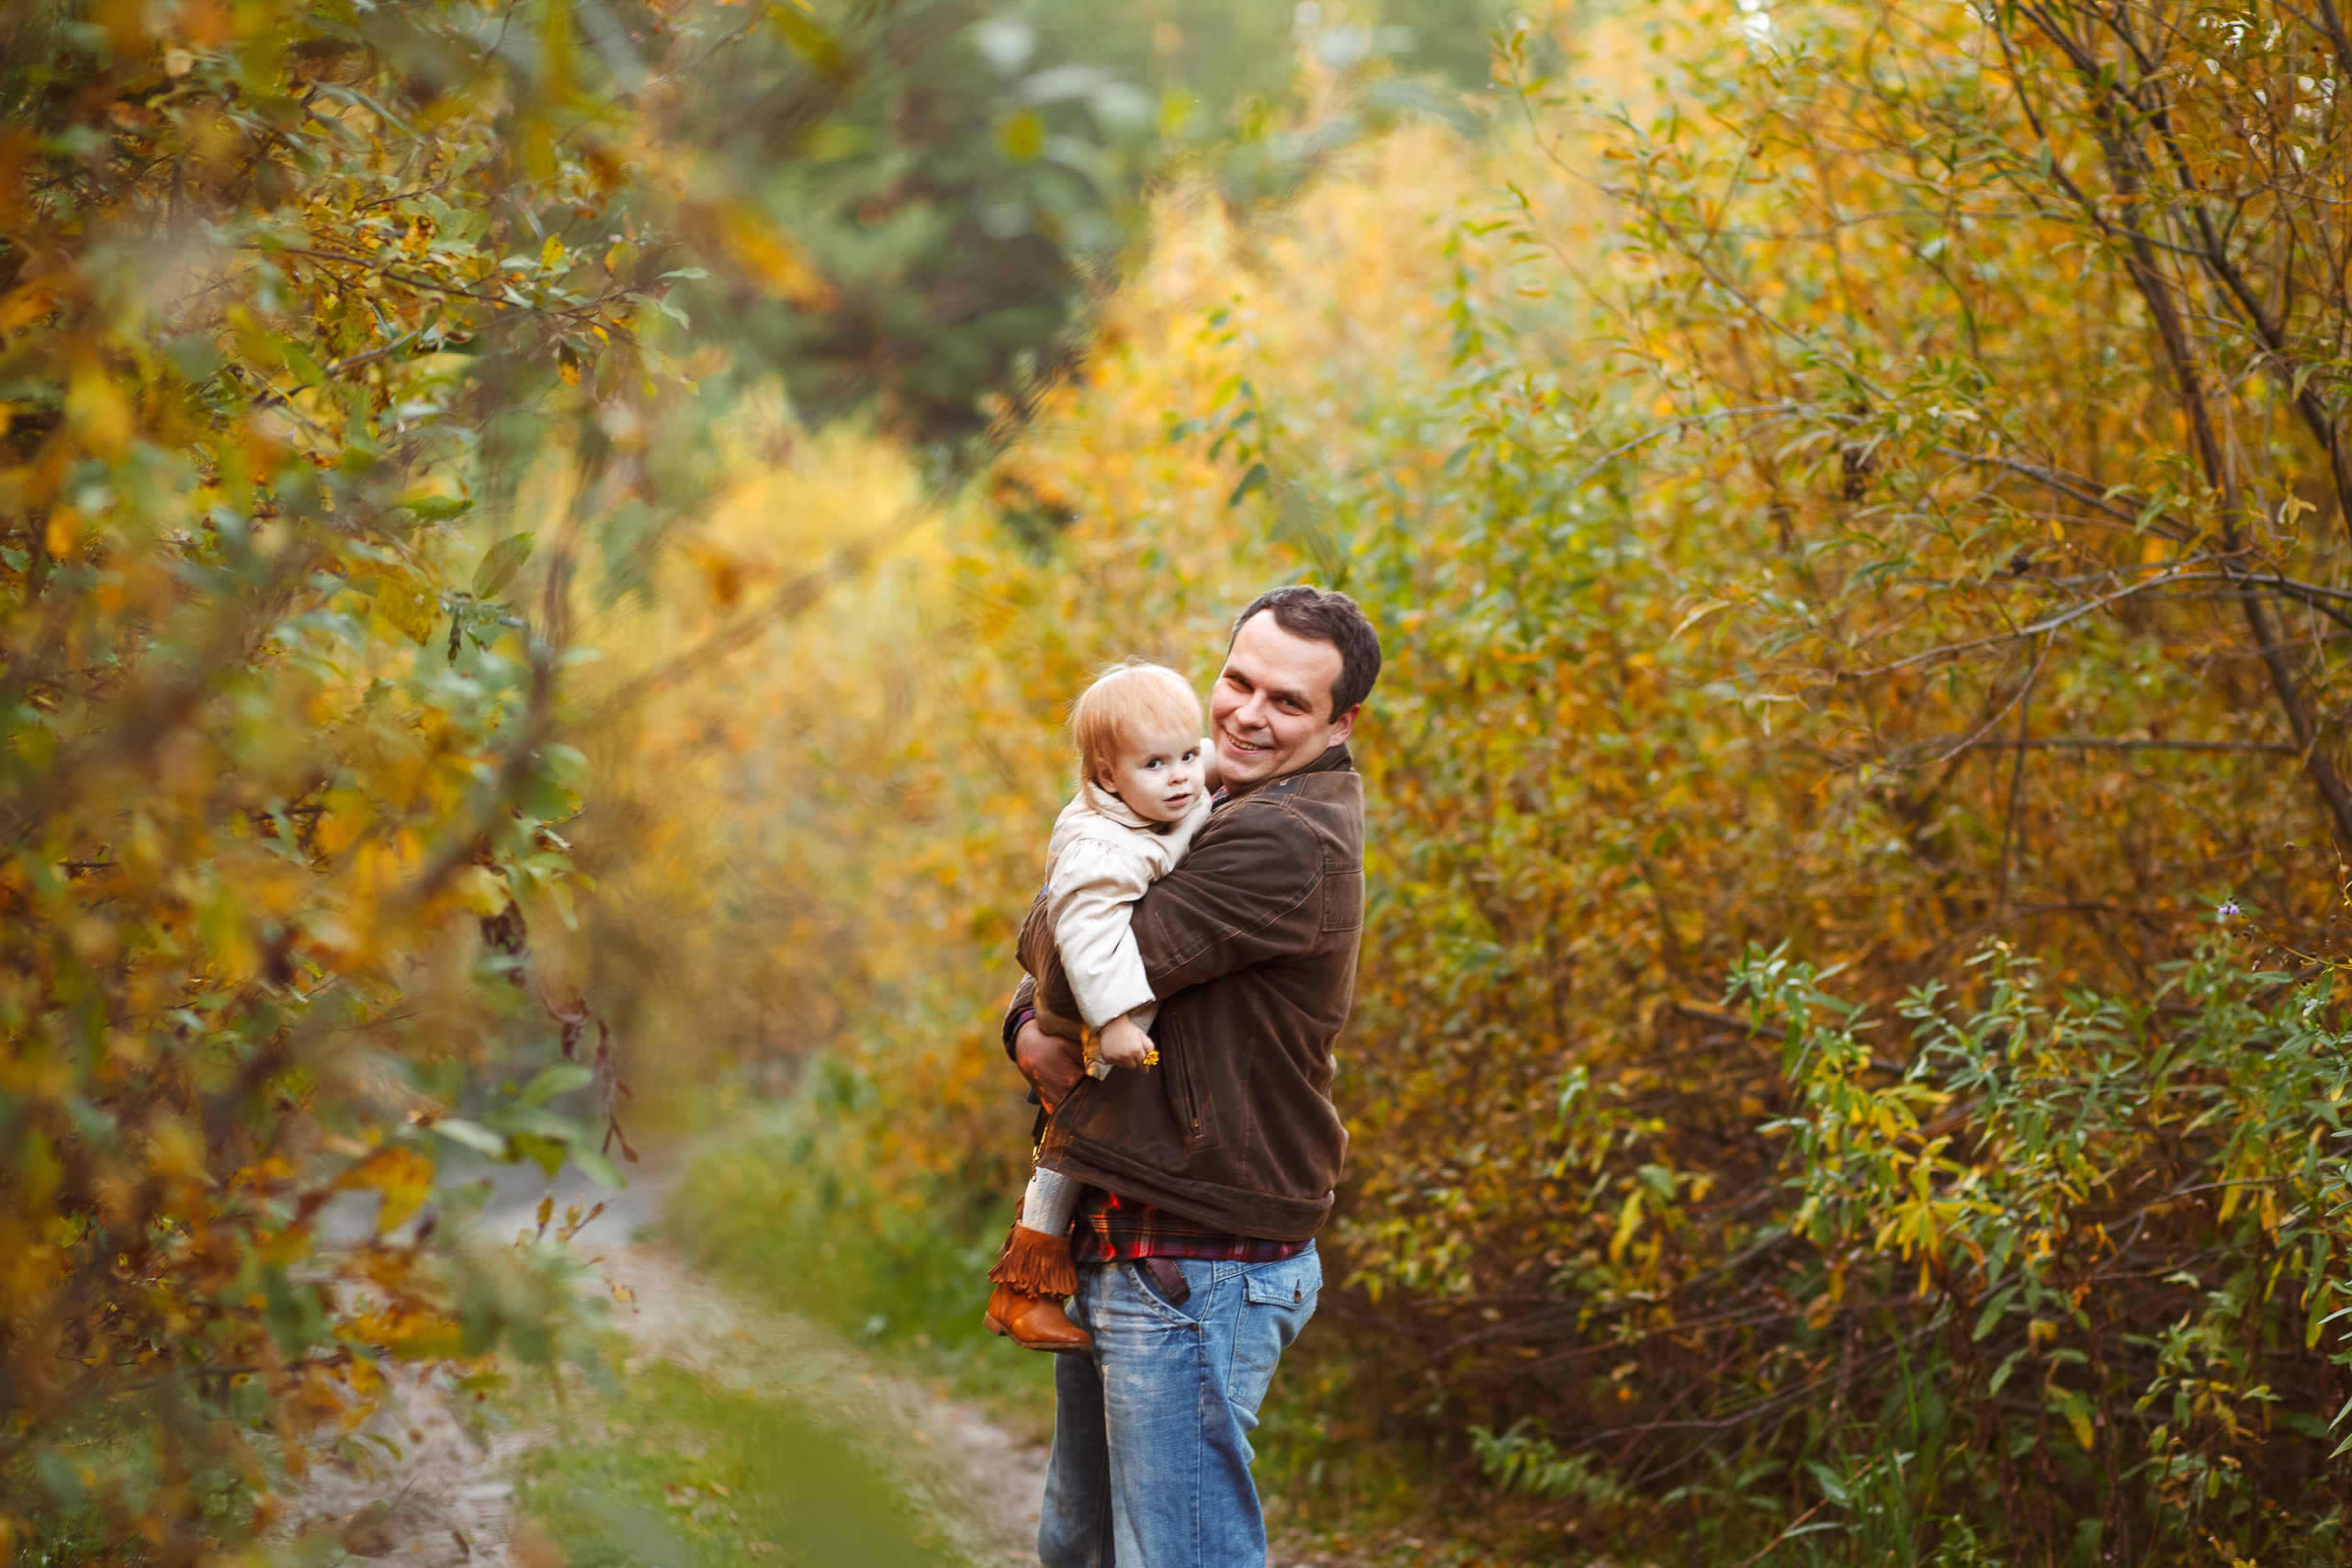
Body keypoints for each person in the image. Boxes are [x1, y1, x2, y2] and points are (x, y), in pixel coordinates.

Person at [1002, 584, 1382, 1568]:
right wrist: (1023, 1022)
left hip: (1197, 1253)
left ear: (1341, 722)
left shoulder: (1281, 836)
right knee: (1080, 1546)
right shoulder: (1211, 795)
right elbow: (1069, 958)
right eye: (1238, 681)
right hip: (1138, 1225)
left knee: (1178, 1555)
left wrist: (1077, 861)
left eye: (1288, 702)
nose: (1248, 715)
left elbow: (1079, 967)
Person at [983, 659, 1215, 1353]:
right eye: (1156, 764)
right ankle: (1022, 1288)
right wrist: (1113, 1021)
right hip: (1090, 1010)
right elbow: (1085, 939)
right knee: (1076, 1137)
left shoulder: (1155, 796)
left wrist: (1215, 767)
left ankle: (1023, 1288)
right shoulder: (1100, 847)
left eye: (1187, 755)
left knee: (1078, 1135)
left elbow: (1198, 762)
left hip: (1102, 1003)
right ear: (1107, 778)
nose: (1181, 777)